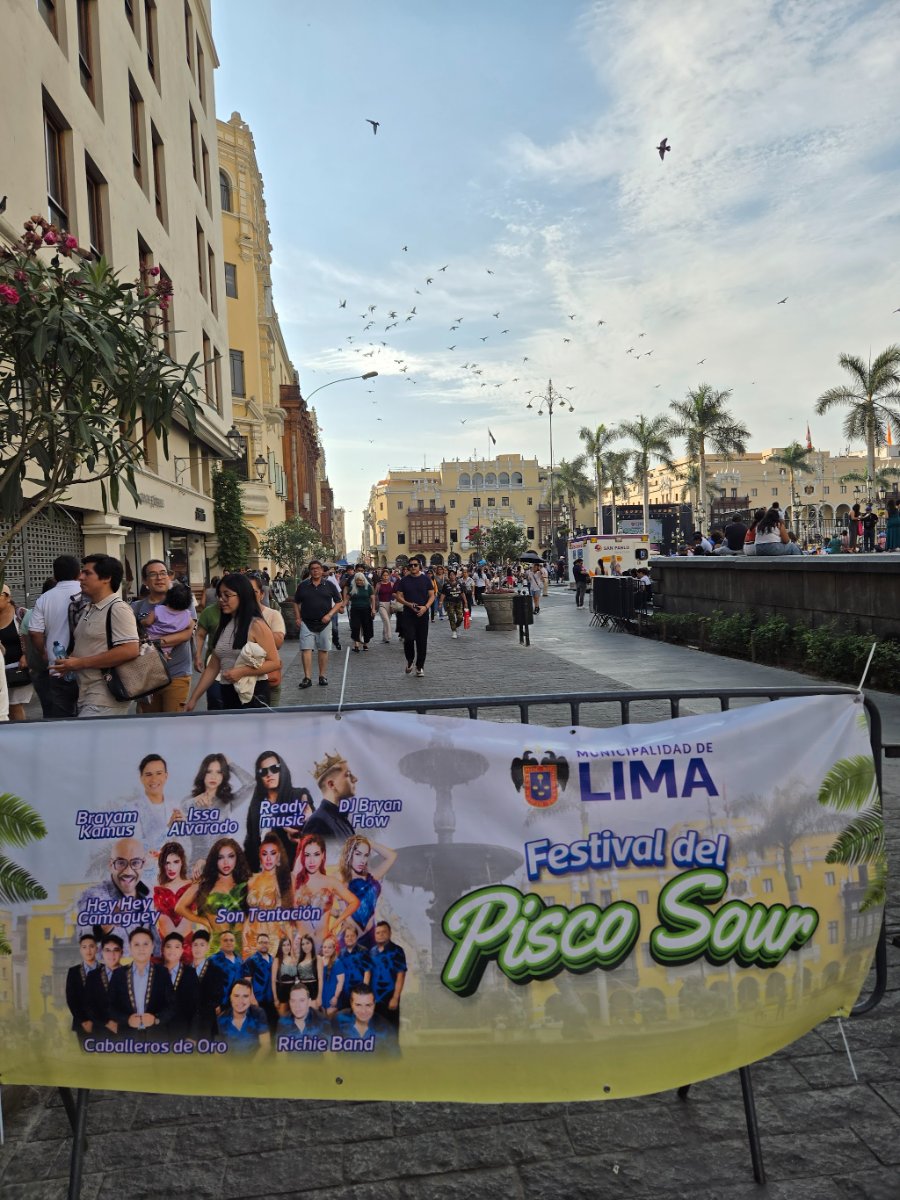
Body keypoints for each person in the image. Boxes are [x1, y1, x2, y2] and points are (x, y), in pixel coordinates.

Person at [52, 555, 140, 718]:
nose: (80, 577)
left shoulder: (117, 609)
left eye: (87, 573)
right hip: (87, 694)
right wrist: (69, 663)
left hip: (105, 697)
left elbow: (130, 650)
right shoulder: (90, 608)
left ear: (106, 578)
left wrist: (80, 663)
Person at [186, 573, 280, 711]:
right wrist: (193, 699)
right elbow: (213, 667)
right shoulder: (225, 625)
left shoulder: (257, 625)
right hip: (227, 691)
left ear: (242, 595)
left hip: (252, 694)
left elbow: (274, 662)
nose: (221, 599)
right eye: (219, 595)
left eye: (227, 595)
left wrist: (242, 671)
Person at [131, 562, 196, 713]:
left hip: (177, 674)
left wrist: (156, 643)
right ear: (145, 581)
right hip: (148, 676)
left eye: (163, 573)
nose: (159, 578)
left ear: (169, 577)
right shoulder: (137, 607)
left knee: (173, 726)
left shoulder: (182, 601)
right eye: (153, 574)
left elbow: (188, 633)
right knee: (150, 725)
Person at [27, 554, 83, 718]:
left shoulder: (45, 598)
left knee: (62, 715)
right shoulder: (86, 593)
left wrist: (44, 652)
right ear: (79, 573)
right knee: (87, 715)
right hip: (87, 666)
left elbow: (34, 632)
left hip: (57, 666)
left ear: (55, 575)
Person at [79, 837, 157, 953]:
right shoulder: (94, 896)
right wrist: (107, 924)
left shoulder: (151, 895)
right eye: (121, 863)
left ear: (143, 864)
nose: (128, 872)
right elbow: (84, 940)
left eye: (135, 863)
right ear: (111, 865)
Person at [174, 837, 251, 953]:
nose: (226, 862)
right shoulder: (204, 885)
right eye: (220, 858)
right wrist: (202, 921)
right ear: (215, 860)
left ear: (237, 858)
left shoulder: (247, 884)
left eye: (231, 856)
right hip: (215, 947)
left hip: (242, 947)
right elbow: (179, 907)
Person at [244, 750, 314, 872]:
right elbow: (250, 842)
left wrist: (308, 823)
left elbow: (315, 833)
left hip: (292, 872)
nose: (269, 774)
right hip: (262, 876)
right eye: (263, 771)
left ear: (282, 770)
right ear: (259, 777)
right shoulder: (256, 806)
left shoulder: (299, 796)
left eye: (274, 768)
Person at [108, 927, 176, 1040]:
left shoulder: (162, 972)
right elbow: (109, 1007)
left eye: (145, 944)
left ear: (152, 947)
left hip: (157, 1037)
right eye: (136, 944)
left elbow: (172, 1005)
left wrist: (156, 1019)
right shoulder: (118, 974)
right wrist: (127, 1020)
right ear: (129, 948)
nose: (141, 949)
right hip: (127, 1037)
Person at [292, 834, 360, 945]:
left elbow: (354, 902)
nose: (311, 860)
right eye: (307, 855)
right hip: (301, 946)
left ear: (323, 855)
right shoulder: (295, 881)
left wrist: (338, 921)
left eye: (316, 854)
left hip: (324, 945)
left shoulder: (330, 882)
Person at [293, 559, 343, 689]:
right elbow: (295, 602)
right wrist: (297, 617)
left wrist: (330, 615)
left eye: (317, 568)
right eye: (312, 569)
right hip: (307, 622)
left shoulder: (329, 585)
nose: (315, 570)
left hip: (324, 623)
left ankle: (322, 676)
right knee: (306, 649)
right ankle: (307, 677)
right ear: (310, 571)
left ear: (322, 570)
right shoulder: (303, 585)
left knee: (323, 649)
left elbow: (339, 602)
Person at [243, 831, 294, 957]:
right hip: (250, 937)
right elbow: (250, 913)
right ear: (260, 858)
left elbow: (287, 916)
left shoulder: (285, 880)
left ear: (279, 857)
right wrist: (244, 929)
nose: (268, 858)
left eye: (273, 853)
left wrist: (291, 945)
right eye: (264, 854)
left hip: (274, 938)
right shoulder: (252, 881)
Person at [339, 836, 397, 945]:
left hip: (371, 937)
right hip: (350, 939)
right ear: (349, 854)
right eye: (358, 854)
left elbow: (391, 856)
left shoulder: (372, 877)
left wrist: (368, 842)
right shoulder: (341, 881)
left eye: (366, 855)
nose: (362, 860)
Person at [248, 572, 286, 706]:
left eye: (254, 592)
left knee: (269, 722)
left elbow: (278, 643)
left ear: (261, 594)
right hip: (241, 683)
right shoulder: (233, 617)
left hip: (267, 679)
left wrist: (258, 625)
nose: (250, 596)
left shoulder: (272, 615)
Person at [395, 558, 436, 677]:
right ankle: (409, 660)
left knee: (422, 641)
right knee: (408, 639)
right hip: (408, 614)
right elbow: (398, 596)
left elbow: (432, 595)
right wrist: (408, 604)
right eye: (411, 565)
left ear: (420, 566)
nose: (413, 567)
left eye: (415, 565)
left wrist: (426, 607)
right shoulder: (404, 581)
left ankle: (420, 666)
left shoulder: (426, 579)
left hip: (422, 614)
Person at [134, 753, 184, 852]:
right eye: (148, 774)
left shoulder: (176, 805)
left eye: (159, 773)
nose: (154, 779)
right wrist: (169, 827)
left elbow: (183, 842)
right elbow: (138, 846)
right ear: (141, 778)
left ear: (166, 776)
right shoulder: (134, 809)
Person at [304, 752, 357, 842]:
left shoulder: (341, 818)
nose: (355, 779)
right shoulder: (318, 823)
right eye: (348, 774)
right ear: (332, 784)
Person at [153, 841, 194, 959]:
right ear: (162, 865)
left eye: (175, 862)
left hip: (187, 948)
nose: (171, 868)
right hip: (163, 950)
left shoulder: (192, 885)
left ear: (182, 862)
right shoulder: (158, 890)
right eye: (167, 863)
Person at [333, 984, 398, 1053]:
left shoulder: (386, 1028)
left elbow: (395, 1060)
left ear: (374, 1004)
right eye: (358, 1005)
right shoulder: (338, 1020)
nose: (363, 1011)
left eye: (368, 1005)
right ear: (351, 1003)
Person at [0, 583, 32, 721]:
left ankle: (21, 734)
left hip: (17, 669)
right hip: (1, 670)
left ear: (7, 597)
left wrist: (27, 655)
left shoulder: (21, 614)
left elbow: (34, 637)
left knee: (14, 706)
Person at [368, 920, 407, 1029]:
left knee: (391, 1032)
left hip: (389, 998)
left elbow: (401, 975)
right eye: (378, 933)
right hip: (373, 1000)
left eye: (384, 932)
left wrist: (395, 997)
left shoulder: (397, 951)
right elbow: (368, 974)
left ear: (390, 933)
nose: (380, 935)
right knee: (375, 1032)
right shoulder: (372, 952)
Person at [85, 933, 124, 1037]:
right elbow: (89, 1005)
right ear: (101, 953)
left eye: (116, 950)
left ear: (122, 953)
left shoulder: (130, 974)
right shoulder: (92, 976)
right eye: (107, 950)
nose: (112, 955)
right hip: (100, 1032)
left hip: (126, 1032)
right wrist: (108, 1023)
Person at [218, 979, 270, 1054]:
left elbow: (266, 1046)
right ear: (230, 998)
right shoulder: (221, 1019)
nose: (240, 1001)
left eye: (245, 996)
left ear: (250, 999)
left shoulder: (259, 1014)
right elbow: (218, 1052)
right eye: (236, 996)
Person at [162, 932, 199, 1039]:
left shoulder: (190, 973)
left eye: (177, 947)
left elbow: (195, 1006)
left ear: (182, 950)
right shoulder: (155, 972)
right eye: (168, 947)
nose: (172, 950)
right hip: (157, 1032)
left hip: (182, 1031)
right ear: (163, 950)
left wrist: (192, 1036)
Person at [190, 929, 225, 1037]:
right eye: (195, 945)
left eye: (202, 945)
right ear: (191, 947)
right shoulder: (184, 969)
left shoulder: (216, 971)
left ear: (207, 947)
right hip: (185, 1022)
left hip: (206, 1022)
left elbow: (217, 998)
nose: (198, 948)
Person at [66, 933, 99, 1042]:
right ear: (80, 950)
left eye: (91, 946)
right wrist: (84, 1021)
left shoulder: (105, 970)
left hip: (103, 1024)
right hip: (81, 1024)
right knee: (86, 1057)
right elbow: (71, 999)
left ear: (97, 949)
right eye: (84, 947)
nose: (88, 950)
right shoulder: (73, 972)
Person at [243, 929, 277, 1026]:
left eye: (266, 942)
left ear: (269, 944)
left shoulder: (273, 960)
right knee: (259, 1028)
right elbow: (247, 982)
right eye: (261, 942)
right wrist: (252, 1000)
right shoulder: (250, 961)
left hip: (271, 1000)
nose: (263, 944)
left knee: (272, 1027)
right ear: (257, 944)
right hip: (258, 1000)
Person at [335, 923, 372, 1006]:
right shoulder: (341, 953)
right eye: (347, 936)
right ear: (344, 938)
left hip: (358, 992)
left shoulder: (363, 951)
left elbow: (367, 972)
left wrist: (364, 991)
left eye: (352, 935)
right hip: (344, 992)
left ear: (356, 936)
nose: (350, 938)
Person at [345, 571, 376, 652]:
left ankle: (365, 643)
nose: (359, 582)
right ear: (355, 580)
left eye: (361, 580)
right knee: (355, 627)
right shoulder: (352, 587)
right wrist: (341, 606)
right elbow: (347, 598)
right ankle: (356, 644)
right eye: (357, 580)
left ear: (364, 580)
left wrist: (373, 609)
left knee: (366, 627)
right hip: (355, 610)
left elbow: (373, 598)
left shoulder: (368, 587)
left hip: (366, 609)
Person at [318, 935, 345, 1019]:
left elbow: (340, 982)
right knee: (323, 1020)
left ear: (334, 949)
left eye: (329, 947)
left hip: (332, 995)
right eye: (324, 947)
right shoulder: (319, 960)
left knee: (331, 1020)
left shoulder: (337, 962)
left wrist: (336, 997)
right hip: (321, 994)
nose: (326, 949)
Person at [294, 933, 320, 1004]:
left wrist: (319, 996)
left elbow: (320, 979)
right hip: (301, 990)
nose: (305, 946)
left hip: (313, 989)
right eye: (303, 944)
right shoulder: (299, 960)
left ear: (312, 944)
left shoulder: (317, 958)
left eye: (307, 943)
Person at [440, 569, 466, 639]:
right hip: (449, 602)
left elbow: (462, 593)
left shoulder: (459, 584)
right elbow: (443, 594)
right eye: (450, 575)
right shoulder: (446, 585)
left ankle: (456, 626)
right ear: (448, 576)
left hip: (458, 602)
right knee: (451, 617)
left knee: (460, 618)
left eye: (453, 575)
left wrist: (465, 602)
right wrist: (440, 602)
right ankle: (454, 631)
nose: (452, 576)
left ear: (455, 576)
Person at [374, 568, 395, 644]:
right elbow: (375, 594)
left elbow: (394, 595)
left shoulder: (392, 584)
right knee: (386, 620)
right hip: (381, 604)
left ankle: (385, 637)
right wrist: (374, 604)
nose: (385, 577)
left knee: (387, 621)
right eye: (384, 575)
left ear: (389, 576)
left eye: (387, 575)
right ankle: (389, 634)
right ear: (381, 576)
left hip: (390, 604)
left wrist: (393, 604)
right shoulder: (378, 584)